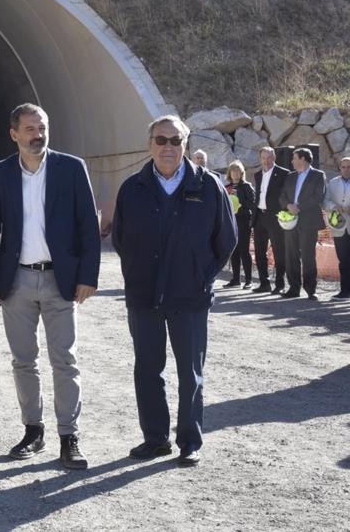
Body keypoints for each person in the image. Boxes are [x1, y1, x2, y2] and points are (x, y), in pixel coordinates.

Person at [112, 115, 236, 467]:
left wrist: (201, 277)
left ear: (186, 144)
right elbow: (121, 239)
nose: (168, 147)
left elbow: (226, 240)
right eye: (161, 140)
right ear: (150, 144)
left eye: (175, 140)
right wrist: (137, 274)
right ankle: (155, 439)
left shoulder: (208, 186)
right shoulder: (132, 188)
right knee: (148, 369)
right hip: (144, 296)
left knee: (190, 373)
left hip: (190, 296)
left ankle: (189, 441)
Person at [0, 103, 101, 471]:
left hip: (60, 280)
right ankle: (33, 431)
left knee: (65, 360)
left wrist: (88, 276)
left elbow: (88, 225)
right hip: (16, 279)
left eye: (42, 127)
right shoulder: (1, 175)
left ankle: (69, 436)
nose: (38, 135)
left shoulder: (71, 168)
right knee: (23, 361)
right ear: (14, 134)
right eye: (30, 129)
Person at [279, 148, 326, 300]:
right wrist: (288, 206)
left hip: (309, 221)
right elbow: (283, 195)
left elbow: (318, 196)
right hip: (290, 221)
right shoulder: (290, 176)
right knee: (291, 255)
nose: (292, 161)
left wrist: (299, 207)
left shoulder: (318, 175)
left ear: (303, 159)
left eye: (294, 158)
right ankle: (293, 288)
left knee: (308, 256)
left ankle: (311, 290)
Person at [251, 147, 290, 294]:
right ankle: (264, 283)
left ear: (274, 158)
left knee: (279, 251)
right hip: (259, 216)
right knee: (260, 252)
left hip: (275, 218)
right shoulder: (257, 175)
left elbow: (286, 195)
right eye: (263, 158)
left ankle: (279, 284)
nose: (266, 161)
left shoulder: (284, 173)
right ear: (260, 159)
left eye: (269, 158)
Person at [223, 160, 255, 289]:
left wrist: (240, 199)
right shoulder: (226, 187)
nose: (235, 173)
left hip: (243, 221)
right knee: (234, 251)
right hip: (231, 222)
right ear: (229, 173)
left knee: (244, 250)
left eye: (238, 171)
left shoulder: (246, 186)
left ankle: (248, 280)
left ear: (242, 173)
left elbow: (252, 204)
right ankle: (235, 279)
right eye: (233, 171)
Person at [324, 156, 350, 300]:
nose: (346, 170)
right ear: (340, 168)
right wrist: (334, 207)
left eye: (349, 167)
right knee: (344, 260)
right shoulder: (332, 183)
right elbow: (325, 201)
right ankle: (345, 291)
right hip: (339, 227)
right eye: (344, 167)